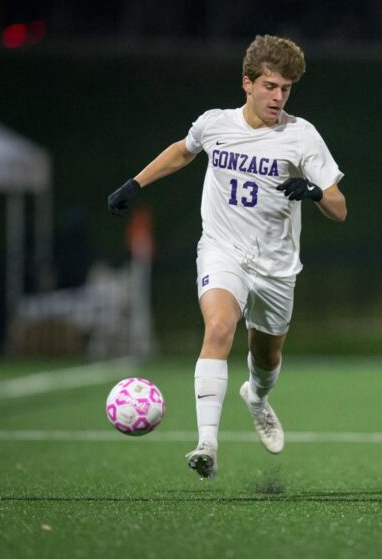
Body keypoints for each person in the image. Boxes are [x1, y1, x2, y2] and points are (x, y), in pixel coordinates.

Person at [107, 35, 347, 480]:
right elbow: (184, 150)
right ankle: (207, 445)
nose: (278, 97)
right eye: (271, 86)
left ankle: (256, 397)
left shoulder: (301, 135)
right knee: (219, 326)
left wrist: (314, 192)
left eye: (286, 89)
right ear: (247, 83)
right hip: (223, 249)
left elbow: (339, 206)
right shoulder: (215, 124)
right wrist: (136, 184)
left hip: (276, 266)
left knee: (267, 358)